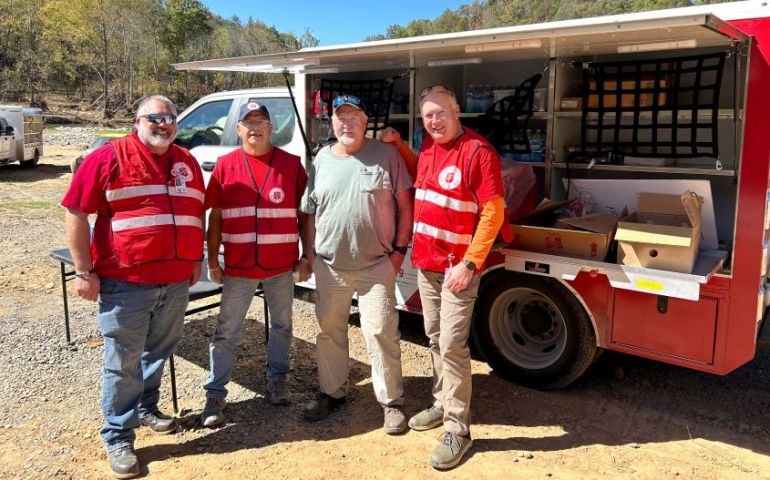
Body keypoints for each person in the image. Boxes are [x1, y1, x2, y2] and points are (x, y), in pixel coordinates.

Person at [62, 95, 205, 479]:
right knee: (123, 362)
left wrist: (195, 259)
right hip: (126, 283)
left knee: (158, 352)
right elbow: (76, 211)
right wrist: (83, 271)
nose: (164, 124)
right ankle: (118, 436)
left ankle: (146, 407)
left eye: (170, 118)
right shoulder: (107, 158)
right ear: (137, 121)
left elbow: (196, 212)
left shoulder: (187, 162)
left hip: (176, 279)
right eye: (154, 118)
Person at [384, 85, 505, 469]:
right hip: (428, 264)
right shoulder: (430, 147)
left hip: (457, 269)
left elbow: (493, 213)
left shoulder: (478, 152)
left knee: (452, 345)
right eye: (428, 116)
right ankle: (441, 402)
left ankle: (458, 429)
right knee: (435, 338)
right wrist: (401, 148)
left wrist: (469, 264)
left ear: (456, 111)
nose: (435, 121)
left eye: (441, 113)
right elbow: (421, 172)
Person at [300, 94, 414, 434]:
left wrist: (399, 252)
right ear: (332, 122)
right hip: (330, 266)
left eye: (354, 117)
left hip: (376, 265)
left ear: (366, 122)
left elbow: (406, 205)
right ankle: (332, 392)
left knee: (380, 331)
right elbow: (310, 211)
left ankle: (391, 402)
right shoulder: (322, 158)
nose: (346, 123)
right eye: (341, 117)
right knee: (329, 331)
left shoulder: (386, 155)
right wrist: (310, 254)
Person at [200, 102, 310, 427]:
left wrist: (307, 256)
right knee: (226, 332)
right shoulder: (225, 165)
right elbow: (215, 217)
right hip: (239, 268)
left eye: (261, 122)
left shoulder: (291, 165)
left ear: (271, 128)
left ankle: (278, 380)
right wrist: (212, 261)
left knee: (282, 327)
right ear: (238, 130)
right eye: (248, 123)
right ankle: (215, 395)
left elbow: (305, 216)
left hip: (280, 266)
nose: (255, 128)